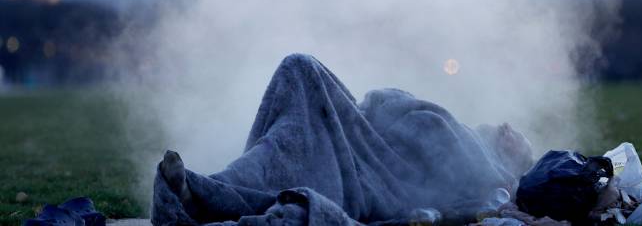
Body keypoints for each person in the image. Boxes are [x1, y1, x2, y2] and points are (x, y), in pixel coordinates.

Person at [153, 54, 533, 226]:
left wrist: (512, 175)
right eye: (510, 129)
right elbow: (388, 105)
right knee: (288, 120)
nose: (507, 128)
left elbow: (443, 153)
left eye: (517, 141)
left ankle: (203, 195)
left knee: (299, 80)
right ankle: (204, 190)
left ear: (511, 160)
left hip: (370, 166)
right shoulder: (469, 135)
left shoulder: (489, 171)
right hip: (358, 131)